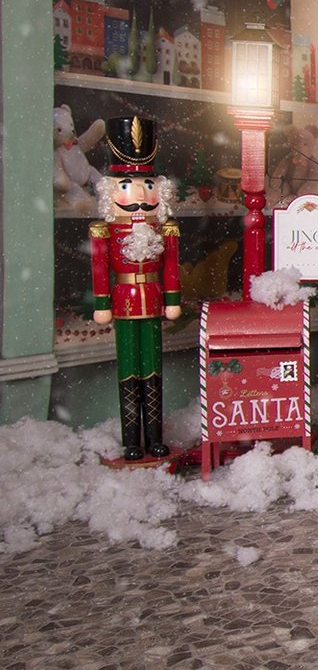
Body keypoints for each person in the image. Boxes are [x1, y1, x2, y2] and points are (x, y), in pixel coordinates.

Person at [89, 116, 182, 462]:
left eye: (147, 184)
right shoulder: (105, 232)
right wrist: (101, 301)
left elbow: (170, 266)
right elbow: (100, 268)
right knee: (129, 367)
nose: (141, 195)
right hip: (124, 301)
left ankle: (155, 436)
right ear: (111, 191)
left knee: (153, 368)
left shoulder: (165, 229)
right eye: (128, 185)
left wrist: (172, 298)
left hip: (153, 298)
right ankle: (132, 440)